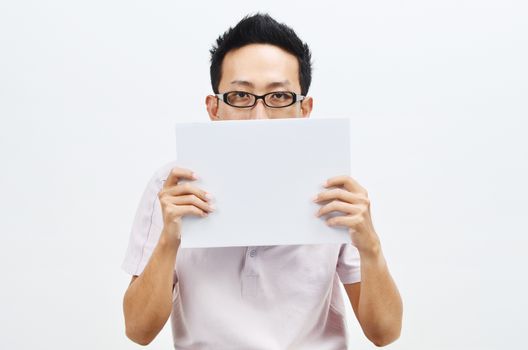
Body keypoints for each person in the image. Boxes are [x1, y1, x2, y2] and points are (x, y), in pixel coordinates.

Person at [122, 13, 402, 349]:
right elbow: (139, 330)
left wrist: (370, 246)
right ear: (214, 108)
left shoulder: (334, 189)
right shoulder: (171, 185)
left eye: (279, 97)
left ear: (304, 108)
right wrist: (169, 239)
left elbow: (384, 333)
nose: (259, 116)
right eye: (240, 96)